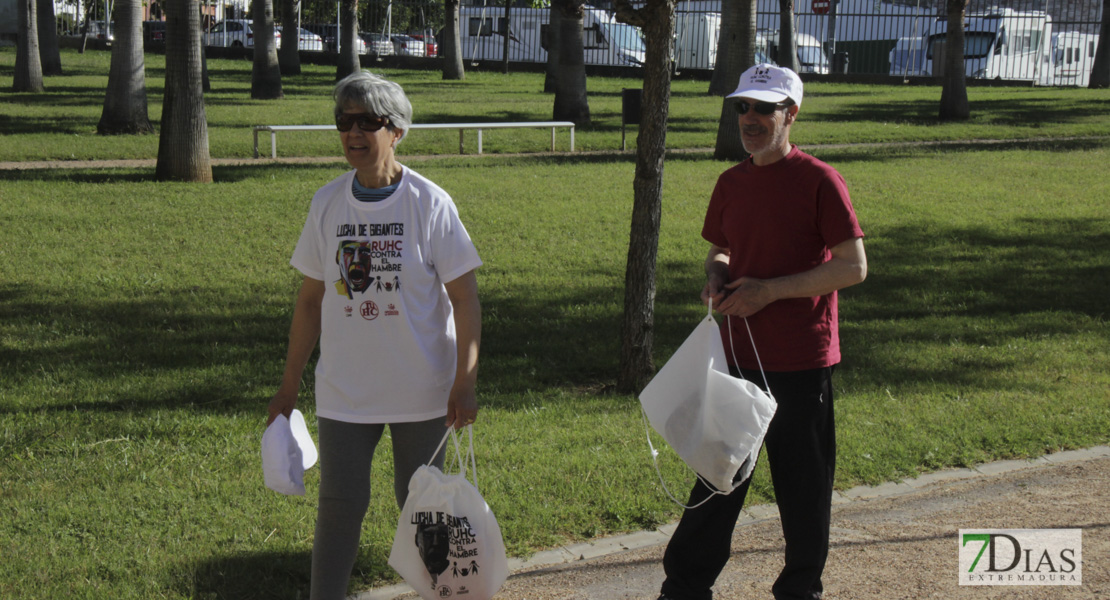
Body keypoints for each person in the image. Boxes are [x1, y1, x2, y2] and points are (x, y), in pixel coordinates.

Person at [267, 71, 483, 600]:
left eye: (368, 121)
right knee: (339, 506)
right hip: (345, 392)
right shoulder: (327, 204)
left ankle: (444, 594)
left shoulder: (430, 204)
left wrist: (465, 381)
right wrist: (289, 384)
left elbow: (465, 298)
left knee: (425, 511)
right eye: (345, 122)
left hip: (422, 391)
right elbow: (311, 301)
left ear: (397, 130)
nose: (353, 132)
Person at [658, 64, 867, 600]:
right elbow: (722, 247)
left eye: (763, 109)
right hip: (737, 357)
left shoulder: (820, 180)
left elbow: (852, 266)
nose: (749, 119)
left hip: (801, 360)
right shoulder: (731, 182)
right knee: (716, 481)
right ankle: (683, 588)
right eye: (742, 108)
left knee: (804, 487)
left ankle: (800, 590)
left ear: (790, 114)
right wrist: (716, 274)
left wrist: (769, 291)